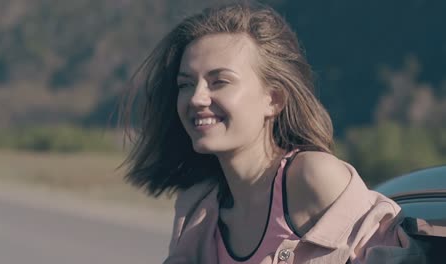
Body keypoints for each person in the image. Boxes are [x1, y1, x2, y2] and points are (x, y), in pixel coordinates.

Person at [119, 3, 428, 263]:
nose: (197, 97)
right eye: (186, 84)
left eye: (219, 81)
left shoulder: (313, 178)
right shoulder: (197, 207)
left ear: (274, 99)